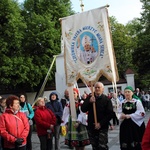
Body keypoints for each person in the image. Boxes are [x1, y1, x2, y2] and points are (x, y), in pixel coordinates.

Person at [81, 82, 113, 150]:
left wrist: (100, 123)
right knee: (94, 146)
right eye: (96, 87)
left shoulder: (106, 99)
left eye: (99, 87)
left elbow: (110, 114)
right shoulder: (90, 97)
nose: (97, 89)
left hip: (102, 127)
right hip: (91, 127)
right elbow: (83, 109)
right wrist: (89, 102)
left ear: (103, 89)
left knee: (102, 147)